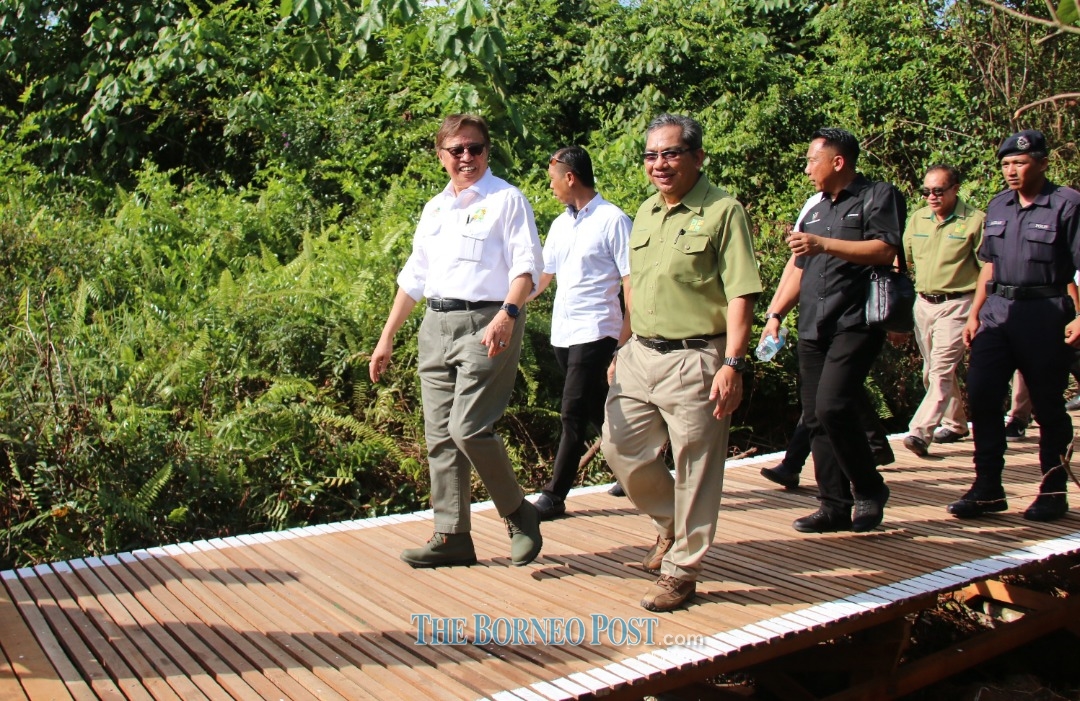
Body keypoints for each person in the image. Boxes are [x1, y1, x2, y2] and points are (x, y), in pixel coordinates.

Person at [369, 114, 545, 567]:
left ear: (488, 152)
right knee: (439, 436)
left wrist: (508, 313)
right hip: (435, 325)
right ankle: (451, 536)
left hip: (489, 320)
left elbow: (527, 266)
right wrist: (387, 337)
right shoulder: (435, 208)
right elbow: (414, 277)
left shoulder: (507, 199)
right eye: (457, 150)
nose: (467, 157)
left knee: (467, 428)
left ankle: (519, 513)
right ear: (441, 155)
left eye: (476, 148)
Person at [601, 113, 761, 612]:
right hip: (640, 354)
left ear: (697, 157)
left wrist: (733, 362)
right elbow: (635, 288)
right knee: (619, 448)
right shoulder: (646, 211)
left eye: (670, 153)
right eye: (651, 155)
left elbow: (741, 293)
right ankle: (673, 523)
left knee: (696, 464)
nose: (659, 164)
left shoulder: (722, 211)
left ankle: (682, 570)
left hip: (697, 357)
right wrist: (621, 347)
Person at [759, 127, 902, 534]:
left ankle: (870, 487)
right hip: (812, 324)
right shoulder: (816, 208)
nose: (806, 169)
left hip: (855, 321)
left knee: (833, 406)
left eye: (811, 160)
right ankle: (834, 506)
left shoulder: (877, 195)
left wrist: (823, 244)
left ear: (837, 162)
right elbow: (797, 268)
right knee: (816, 418)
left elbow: (884, 249)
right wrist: (774, 314)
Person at [947, 129, 1080, 522]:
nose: (1011, 171)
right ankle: (987, 486)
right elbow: (988, 264)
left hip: (1044, 313)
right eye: (1006, 164)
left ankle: (1053, 489)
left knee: (1047, 406)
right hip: (997, 314)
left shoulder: (1067, 204)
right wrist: (974, 314)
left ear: (1041, 162)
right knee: (984, 394)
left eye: (1019, 163)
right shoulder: (999, 205)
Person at [530, 146, 632, 520]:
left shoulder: (614, 220)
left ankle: (554, 496)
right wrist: (510, 304)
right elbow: (544, 275)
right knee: (594, 406)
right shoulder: (560, 224)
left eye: (553, 180)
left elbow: (631, 282)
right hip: (564, 332)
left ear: (570, 177)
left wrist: (624, 341)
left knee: (572, 411)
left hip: (597, 329)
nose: (551, 188)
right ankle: (635, 467)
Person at [895, 165, 984, 457]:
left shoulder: (975, 221)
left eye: (938, 191)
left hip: (958, 303)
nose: (931, 197)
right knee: (931, 369)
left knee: (941, 370)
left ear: (955, 188)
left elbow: (987, 271)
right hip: (923, 304)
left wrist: (977, 313)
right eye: (926, 191)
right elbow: (901, 262)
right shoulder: (918, 219)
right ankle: (956, 423)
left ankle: (920, 431)